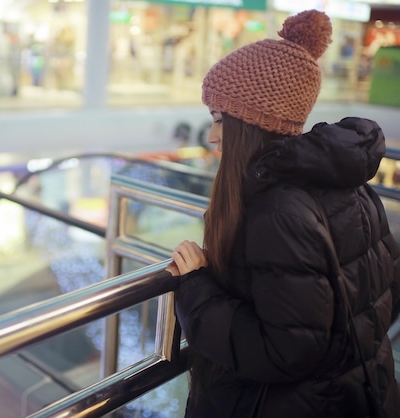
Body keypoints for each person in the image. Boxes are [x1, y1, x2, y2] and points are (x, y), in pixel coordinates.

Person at [165, 10, 400, 418]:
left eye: (220, 119)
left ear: (250, 123)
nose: (212, 136)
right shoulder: (351, 187)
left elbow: (283, 352)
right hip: (360, 394)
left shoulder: (277, 210)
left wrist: (197, 289)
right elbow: (384, 295)